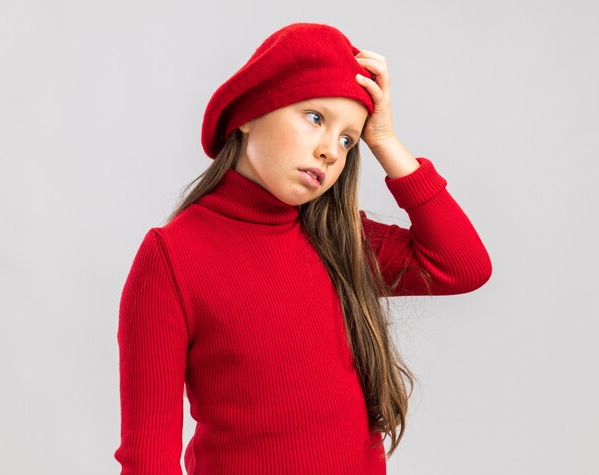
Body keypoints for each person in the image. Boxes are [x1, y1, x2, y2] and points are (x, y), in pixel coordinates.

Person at [113, 22, 492, 475]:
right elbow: (148, 460)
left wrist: (385, 141)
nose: (332, 150)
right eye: (315, 118)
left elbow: (462, 266)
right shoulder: (172, 257)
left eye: (348, 139)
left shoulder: (340, 240)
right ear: (249, 113)